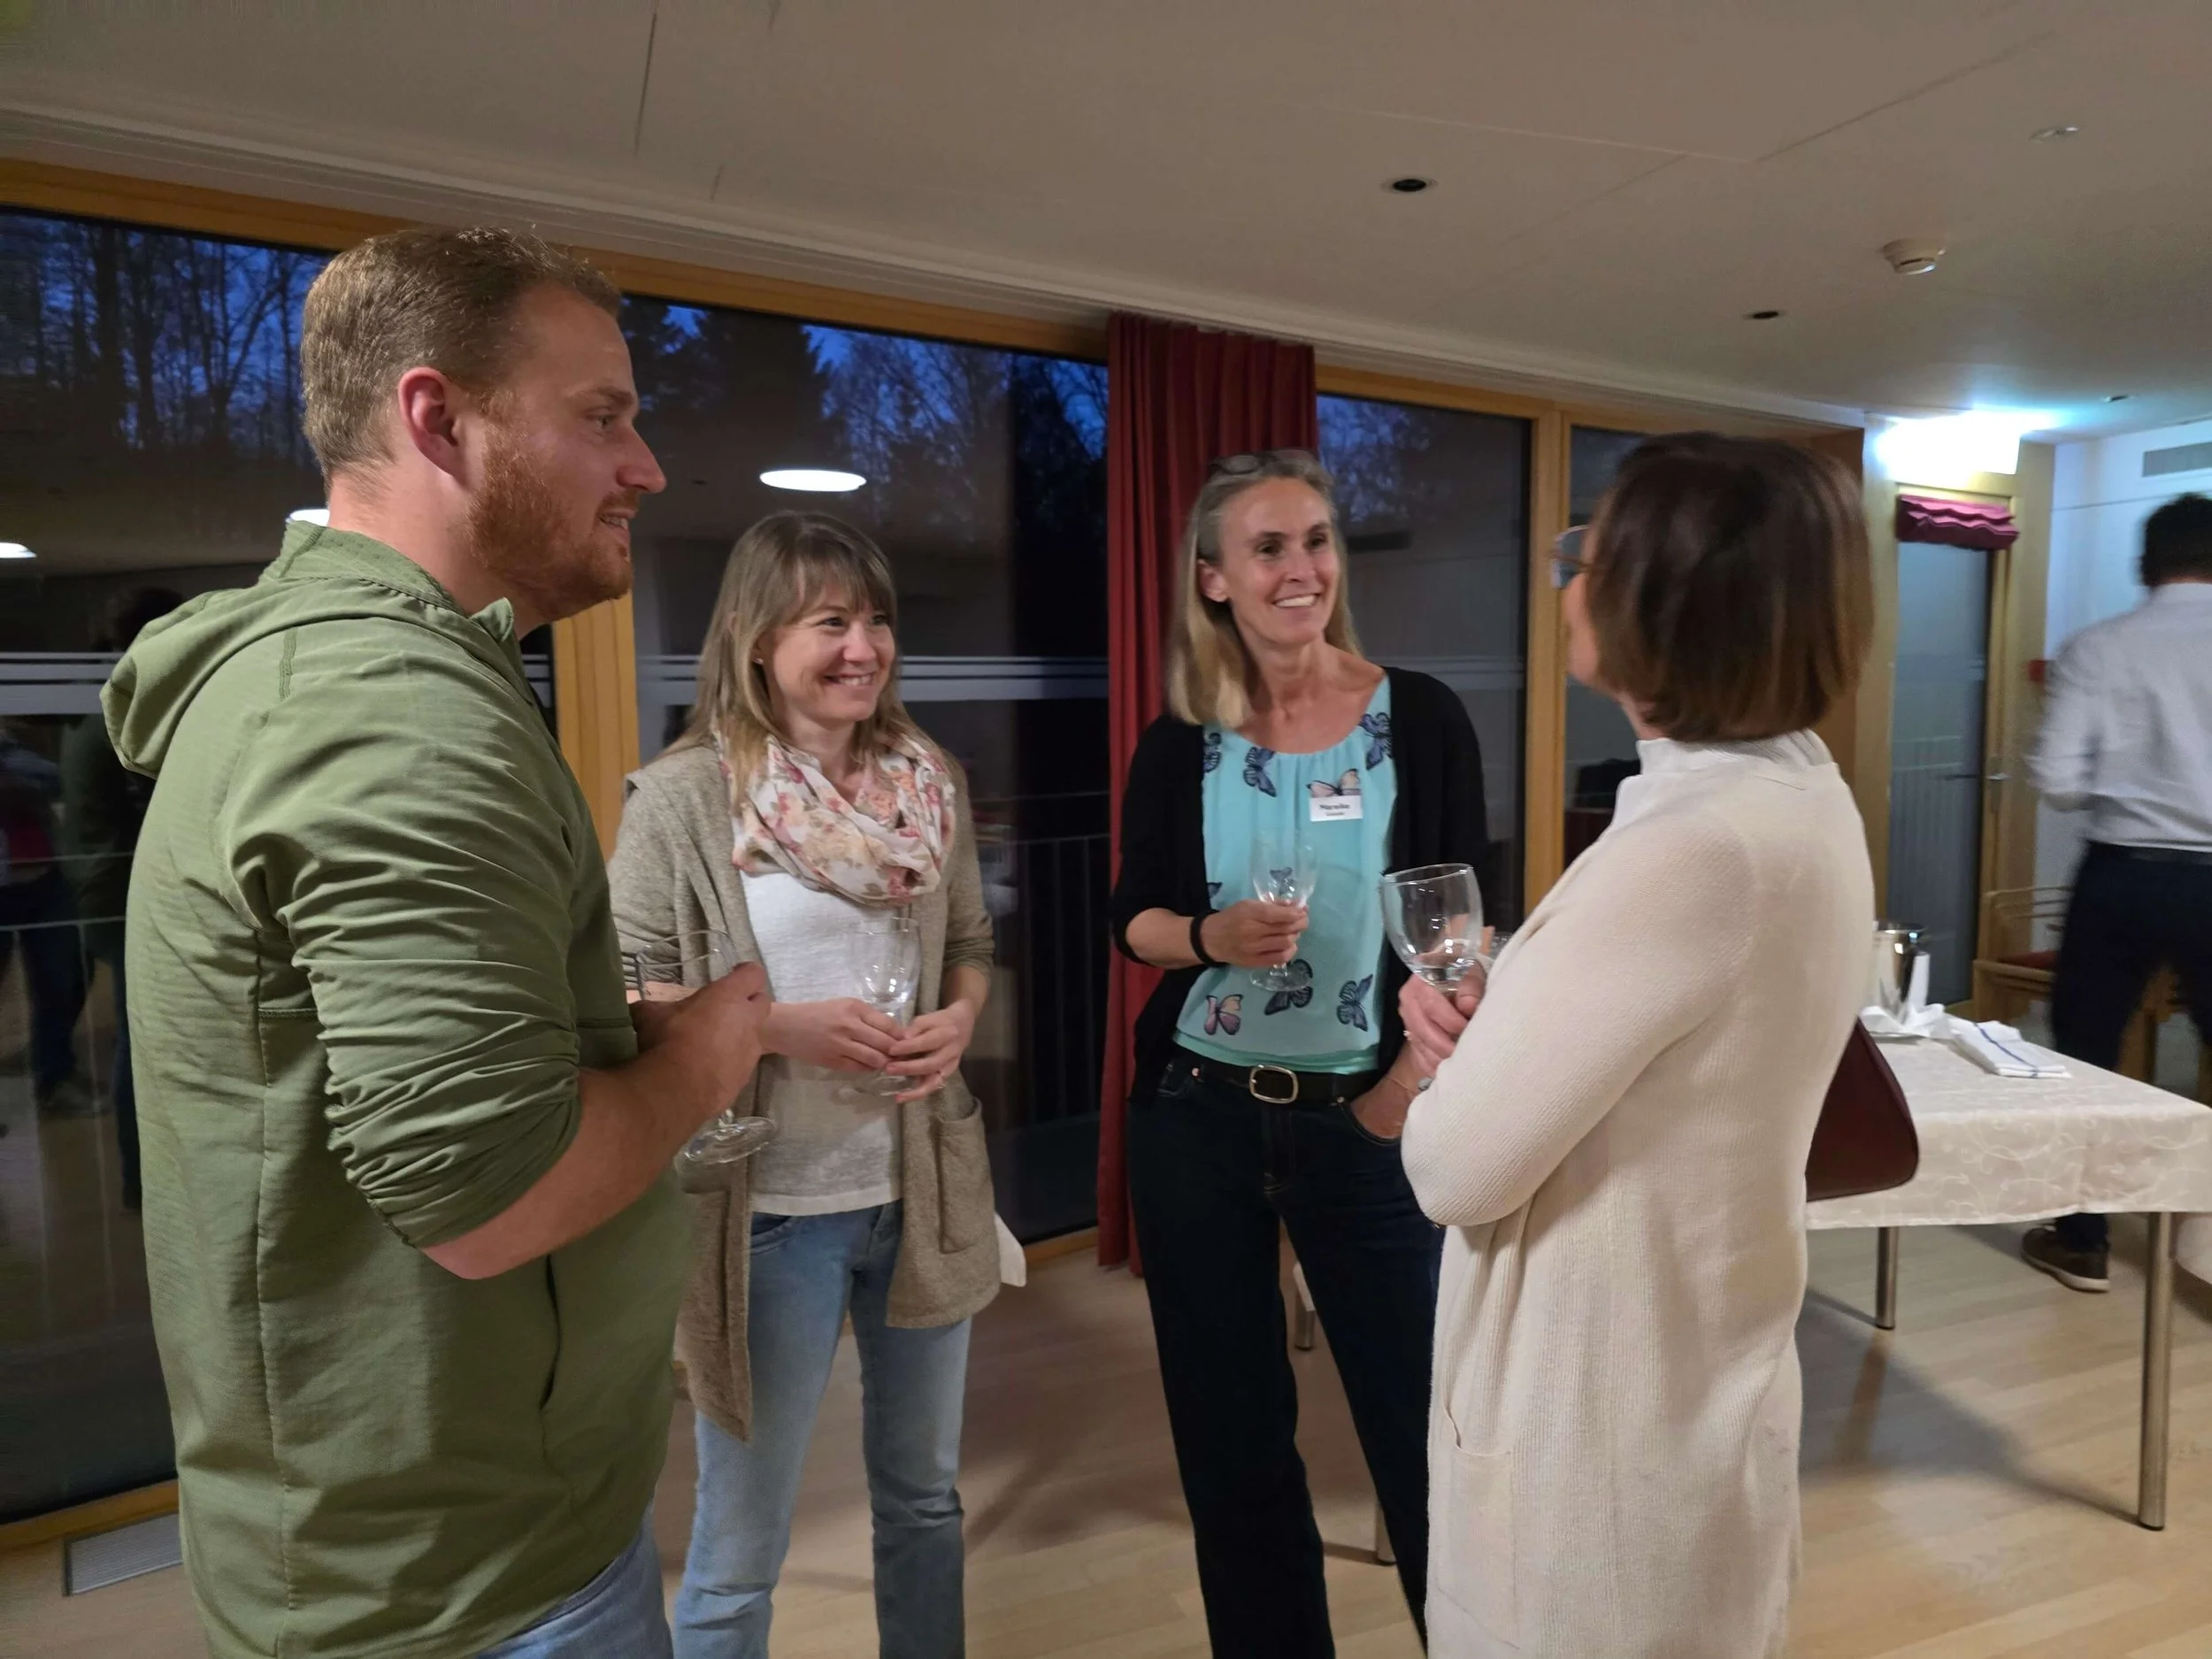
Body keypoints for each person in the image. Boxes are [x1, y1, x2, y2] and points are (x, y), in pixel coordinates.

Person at [105, 227, 770, 1659]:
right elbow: (489, 1194)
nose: (647, 467)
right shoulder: (394, 715)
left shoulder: (351, 679)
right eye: (603, 416)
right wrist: (702, 1064)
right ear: (438, 417)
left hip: (431, 1543)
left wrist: (609, 1040)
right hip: (471, 1590)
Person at [1399, 434, 1874, 1657]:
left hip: (1599, 1426)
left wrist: (1462, 1053)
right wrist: (1526, 1003)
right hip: (1691, 1373)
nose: (1566, 580)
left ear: (1658, 602)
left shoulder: (1690, 847)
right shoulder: (1801, 792)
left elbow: (1452, 1167)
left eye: (1586, 555)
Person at [1110, 449, 1488, 1656]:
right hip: (1197, 1112)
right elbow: (1131, 918)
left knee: (1429, 1435)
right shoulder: (1181, 742)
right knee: (1231, 1444)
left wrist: (1395, 1096)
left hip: (1364, 1116)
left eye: (1317, 540)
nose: (1301, 569)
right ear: (1214, 577)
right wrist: (1208, 937)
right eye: (1268, 547)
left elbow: (1461, 939)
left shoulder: (1418, 716)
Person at [608, 511, 1001, 1659]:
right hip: (770, 1212)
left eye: (876, 619)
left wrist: (958, 1018)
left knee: (925, 1501)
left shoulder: (926, 781)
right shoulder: (687, 798)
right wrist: (778, 1027)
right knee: (741, 1547)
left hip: (919, 1190)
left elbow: (968, 941)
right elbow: (620, 990)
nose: (862, 646)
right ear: (757, 638)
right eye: (830, 621)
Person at [2024, 491, 2212, 1292]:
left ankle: (2084, 1241)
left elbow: (2057, 780)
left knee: (2087, 1051)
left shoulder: (2098, 647)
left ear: (2145, 564)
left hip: (2122, 872)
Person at [61, 584, 185, 1209]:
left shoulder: (112, 708)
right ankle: (144, 1180)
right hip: (124, 899)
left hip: (116, 895)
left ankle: (148, 1178)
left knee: (144, 1039)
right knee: (143, 1044)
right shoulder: (120, 716)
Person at [0, 721, 88, 1117]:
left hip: (45, 880)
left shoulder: (14, 750)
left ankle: (53, 1080)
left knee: (59, 985)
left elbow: (60, 780)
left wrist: (20, 784)